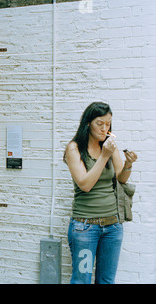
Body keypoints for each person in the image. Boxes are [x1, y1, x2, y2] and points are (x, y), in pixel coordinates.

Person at [63, 102, 138, 284]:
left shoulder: (109, 146)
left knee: (106, 280)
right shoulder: (74, 148)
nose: (105, 128)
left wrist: (128, 164)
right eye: (100, 123)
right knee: (82, 280)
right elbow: (85, 184)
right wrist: (105, 155)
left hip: (112, 226)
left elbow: (121, 178)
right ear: (88, 122)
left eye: (108, 124)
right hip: (85, 227)